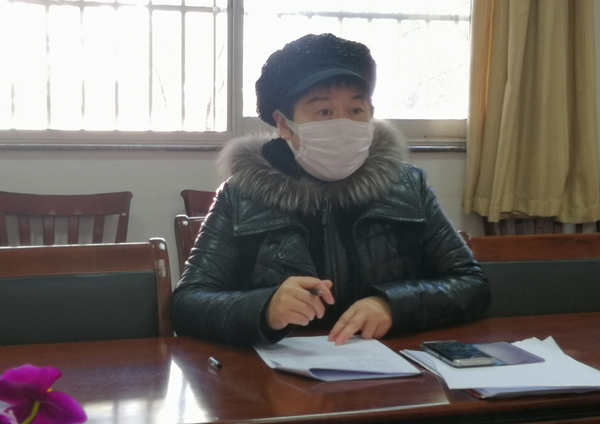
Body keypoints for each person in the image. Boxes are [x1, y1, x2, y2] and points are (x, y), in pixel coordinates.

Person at [172, 33, 490, 346]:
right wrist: (264, 308)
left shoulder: (408, 185)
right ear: (283, 125)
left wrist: (393, 304)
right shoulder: (242, 194)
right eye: (323, 111)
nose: (343, 125)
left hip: (391, 365)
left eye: (356, 111)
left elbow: (472, 284)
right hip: (276, 371)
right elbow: (187, 303)